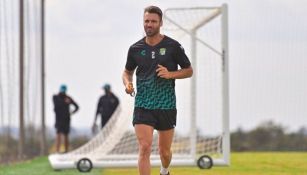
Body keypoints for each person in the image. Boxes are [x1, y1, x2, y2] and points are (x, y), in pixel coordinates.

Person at [122, 6, 193, 175]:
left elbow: (189, 70)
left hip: (166, 105)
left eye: (153, 21)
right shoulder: (135, 49)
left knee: (164, 152)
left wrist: (170, 74)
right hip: (143, 104)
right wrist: (127, 84)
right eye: (147, 21)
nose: (149, 24)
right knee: (145, 147)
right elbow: (127, 72)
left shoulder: (173, 46)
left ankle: (164, 171)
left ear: (160, 23)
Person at [53, 84, 79, 153]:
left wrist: (72, 113)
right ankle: (57, 151)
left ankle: (66, 151)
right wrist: (65, 102)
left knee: (66, 134)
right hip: (58, 119)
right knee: (58, 134)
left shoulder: (68, 98)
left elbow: (77, 107)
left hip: (66, 119)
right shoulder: (56, 97)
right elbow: (57, 105)